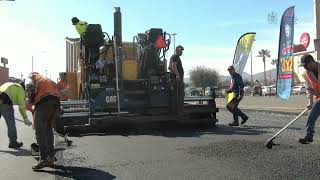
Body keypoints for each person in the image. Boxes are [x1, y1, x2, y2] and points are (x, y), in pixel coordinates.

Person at [25, 72, 61, 170]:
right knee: (48, 130)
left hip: (44, 103)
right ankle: (51, 158)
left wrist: (29, 101)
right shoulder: (47, 80)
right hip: (56, 104)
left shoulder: (32, 78)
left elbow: (30, 91)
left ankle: (44, 159)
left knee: (40, 132)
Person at [0, 82, 32, 148]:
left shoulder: (9, 84)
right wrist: (25, 118)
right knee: (11, 123)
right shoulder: (20, 89)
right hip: (5, 103)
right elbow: (21, 106)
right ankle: (13, 142)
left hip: (1, 98)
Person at [298, 54, 320, 144]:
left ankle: (309, 135)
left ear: (311, 61)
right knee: (312, 115)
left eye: (305, 64)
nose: (304, 67)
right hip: (319, 98)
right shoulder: (306, 74)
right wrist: (310, 102)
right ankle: (309, 135)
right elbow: (309, 89)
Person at [169, 45, 185, 115]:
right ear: (176, 50)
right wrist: (177, 75)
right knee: (179, 95)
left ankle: (177, 111)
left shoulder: (175, 57)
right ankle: (179, 111)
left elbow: (169, 67)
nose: (181, 52)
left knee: (177, 95)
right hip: (177, 79)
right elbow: (173, 66)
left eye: (182, 51)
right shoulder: (175, 57)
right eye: (180, 50)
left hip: (175, 78)